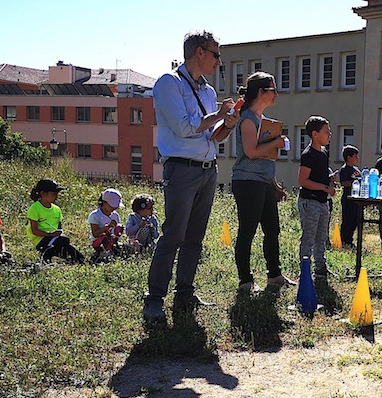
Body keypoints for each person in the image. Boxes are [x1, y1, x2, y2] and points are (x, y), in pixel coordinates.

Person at [143, 30, 239, 321]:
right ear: (199, 52)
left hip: (208, 170)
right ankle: (155, 299)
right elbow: (185, 128)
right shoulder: (168, 83)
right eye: (216, 54)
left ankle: (185, 292)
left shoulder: (208, 91)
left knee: (194, 237)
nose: (219, 61)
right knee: (173, 234)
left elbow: (212, 136)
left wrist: (229, 123)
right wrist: (219, 114)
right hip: (181, 170)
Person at [231, 71, 292, 293]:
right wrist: (277, 142)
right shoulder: (247, 118)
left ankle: (275, 275)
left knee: (272, 229)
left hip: (263, 182)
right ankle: (245, 281)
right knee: (247, 231)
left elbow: (264, 157)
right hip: (247, 182)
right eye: (273, 89)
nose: (277, 94)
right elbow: (251, 152)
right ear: (261, 92)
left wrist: (273, 184)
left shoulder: (261, 120)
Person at [297, 115, 336, 278]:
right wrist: (324, 188)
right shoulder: (308, 154)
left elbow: (321, 174)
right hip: (310, 201)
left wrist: (331, 179)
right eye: (326, 131)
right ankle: (305, 269)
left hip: (322, 201)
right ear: (315, 134)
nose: (330, 134)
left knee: (322, 237)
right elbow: (303, 180)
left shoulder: (323, 152)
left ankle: (320, 268)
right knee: (309, 237)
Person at [27, 179, 84, 264]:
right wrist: (50, 234)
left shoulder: (57, 209)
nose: (56, 196)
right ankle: (45, 257)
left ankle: (70, 260)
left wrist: (58, 233)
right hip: (40, 240)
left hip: (55, 238)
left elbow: (59, 227)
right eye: (54, 194)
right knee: (62, 241)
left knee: (79, 257)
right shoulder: (34, 208)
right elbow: (34, 231)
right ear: (43, 194)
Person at [88, 188, 125, 262]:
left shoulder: (115, 215)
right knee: (108, 235)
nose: (114, 208)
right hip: (99, 242)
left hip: (112, 240)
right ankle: (103, 253)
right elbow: (95, 234)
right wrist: (108, 227)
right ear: (104, 203)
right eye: (112, 206)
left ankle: (113, 249)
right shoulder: (95, 215)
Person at [338, 145, 361, 247]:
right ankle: (344, 240)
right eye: (355, 156)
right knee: (347, 220)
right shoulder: (344, 170)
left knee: (355, 221)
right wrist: (355, 182)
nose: (357, 158)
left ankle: (350, 239)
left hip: (356, 200)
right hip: (348, 199)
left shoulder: (356, 170)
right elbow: (343, 183)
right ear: (349, 157)